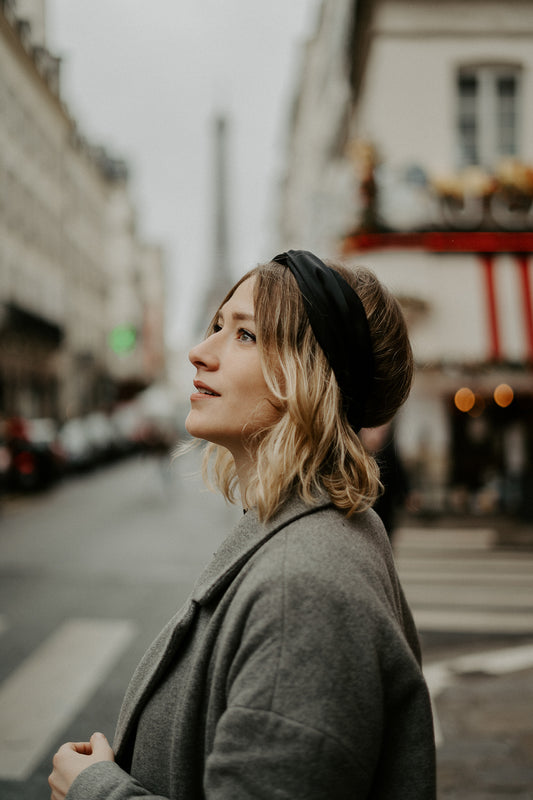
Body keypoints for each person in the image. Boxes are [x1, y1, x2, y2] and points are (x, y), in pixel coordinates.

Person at [49, 250, 436, 800]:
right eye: (215, 326)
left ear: (308, 376)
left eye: (245, 335)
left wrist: (97, 790)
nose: (199, 352)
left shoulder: (301, 586)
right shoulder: (316, 532)